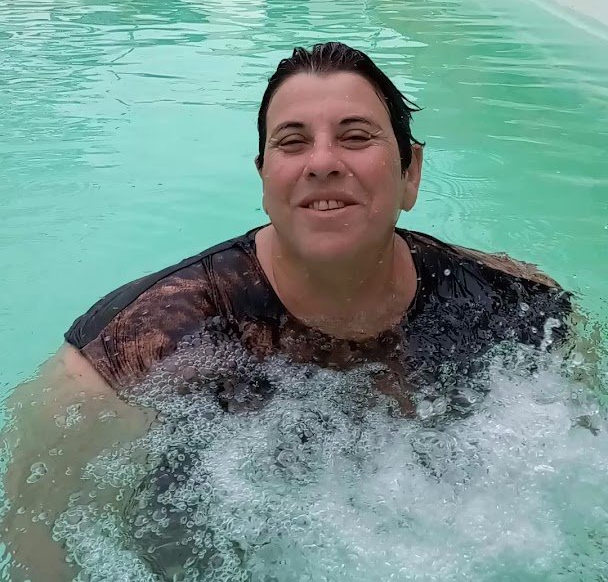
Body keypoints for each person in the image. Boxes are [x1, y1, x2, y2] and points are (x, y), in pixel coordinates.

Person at [2, 42, 571, 579]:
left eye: (355, 136)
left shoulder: (515, 309)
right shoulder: (132, 351)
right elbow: (32, 535)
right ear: (264, 179)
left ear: (410, 173)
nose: (322, 162)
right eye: (292, 142)